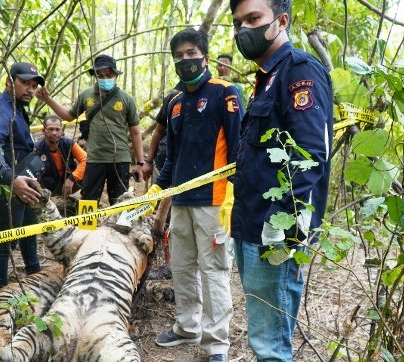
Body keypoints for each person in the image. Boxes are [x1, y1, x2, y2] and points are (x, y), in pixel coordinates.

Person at [228, 0, 334, 361]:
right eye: (238, 22)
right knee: (264, 335)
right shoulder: (266, 79)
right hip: (248, 224)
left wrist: (284, 227)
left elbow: (310, 155)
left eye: (254, 19)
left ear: (282, 20)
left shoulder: (299, 71)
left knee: (270, 345)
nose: (245, 29)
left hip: (274, 231)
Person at [149, 28, 243, 362]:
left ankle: (216, 345)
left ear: (204, 55)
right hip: (182, 203)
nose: (185, 60)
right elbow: (171, 157)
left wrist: (234, 199)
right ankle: (187, 327)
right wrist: (158, 189)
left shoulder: (225, 93)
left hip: (215, 201)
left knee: (214, 270)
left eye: (191, 53)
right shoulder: (175, 103)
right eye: (179, 55)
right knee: (184, 268)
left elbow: (237, 150)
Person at [37, 54, 144, 205]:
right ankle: (87, 230)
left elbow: (135, 131)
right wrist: (48, 99)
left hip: (120, 158)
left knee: (119, 203)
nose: (105, 78)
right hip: (94, 158)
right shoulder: (86, 95)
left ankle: (117, 229)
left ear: (116, 76)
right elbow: (68, 116)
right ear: (95, 76)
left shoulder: (126, 99)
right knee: (88, 201)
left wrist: (140, 162)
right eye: (100, 75)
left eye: (109, 75)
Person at [0, 61, 45, 290]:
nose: (30, 89)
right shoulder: (0, 110)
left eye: (34, 85)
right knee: (6, 242)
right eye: (25, 83)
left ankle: (35, 274)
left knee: (29, 228)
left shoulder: (17, 107)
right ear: (9, 81)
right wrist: (10, 179)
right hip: (6, 185)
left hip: (21, 180)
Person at [35, 115, 87, 198]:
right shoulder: (36, 148)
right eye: (50, 129)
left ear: (62, 131)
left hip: (69, 183)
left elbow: (86, 159)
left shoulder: (69, 143)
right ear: (43, 131)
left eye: (57, 129)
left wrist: (72, 178)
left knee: (91, 172)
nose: (54, 133)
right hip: (47, 187)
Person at [142, 88, 180, 183]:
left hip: (184, 170)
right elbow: (159, 131)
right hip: (161, 163)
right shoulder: (173, 97)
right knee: (156, 196)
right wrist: (148, 161)